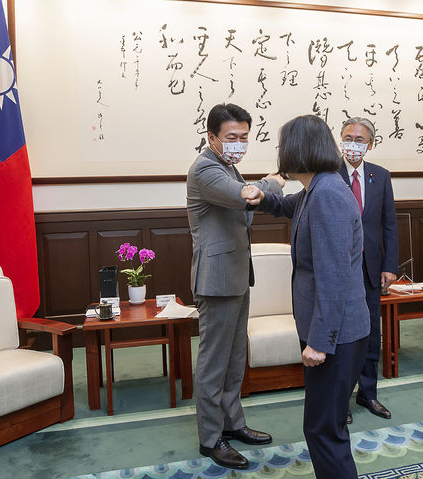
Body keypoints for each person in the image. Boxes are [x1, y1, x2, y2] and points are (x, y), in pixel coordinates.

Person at [243, 115, 370, 479]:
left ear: (299, 149)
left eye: (283, 146)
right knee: (325, 428)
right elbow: (287, 206)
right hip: (336, 332)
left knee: (323, 431)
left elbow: (334, 278)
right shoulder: (318, 188)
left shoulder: (327, 194)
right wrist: (262, 197)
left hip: (336, 335)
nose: (281, 152)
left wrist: (319, 341)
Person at [186, 103, 283, 470]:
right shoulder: (206, 168)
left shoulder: (227, 165)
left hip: (237, 274)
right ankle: (211, 439)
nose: (239, 143)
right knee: (214, 362)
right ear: (212, 137)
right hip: (216, 279)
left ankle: (233, 422)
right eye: (232, 137)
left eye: (244, 137)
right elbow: (247, 197)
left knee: (233, 360)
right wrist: (276, 179)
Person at [337, 117, 397, 423]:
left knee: (372, 333)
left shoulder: (380, 175)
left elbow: (389, 224)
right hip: (340, 268)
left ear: (370, 144)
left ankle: (368, 393)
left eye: (359, 139)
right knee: (343, 335)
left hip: (372, 267)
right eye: (348, 137)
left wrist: (390, 266)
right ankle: (340, 397)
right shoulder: (329, 175)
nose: (353, 144)